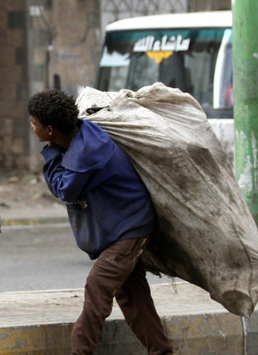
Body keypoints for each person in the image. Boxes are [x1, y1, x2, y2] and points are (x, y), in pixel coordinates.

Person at [27, 89, 173, 355]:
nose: (31, 126)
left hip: (129, 229)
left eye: (34, 122)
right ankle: (162, 351)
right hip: (122, 228)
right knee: (134, 299)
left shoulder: (87, 152)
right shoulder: (80, 137)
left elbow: (65, 189)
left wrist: (51, 154)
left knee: (97, 288)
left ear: (49, 130)